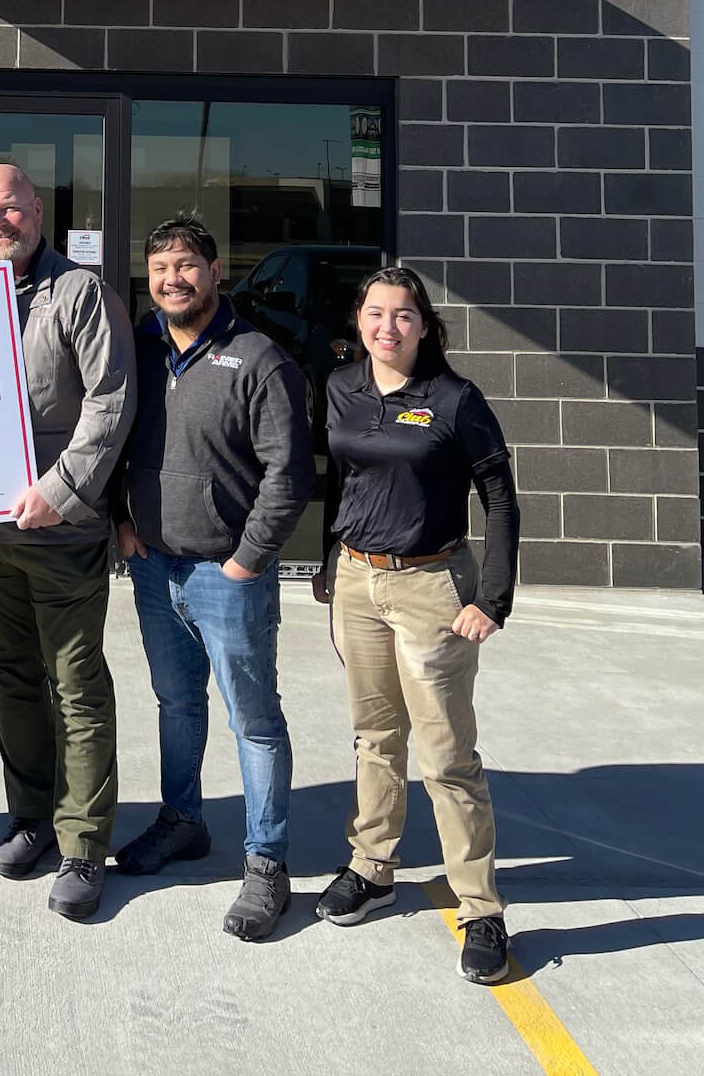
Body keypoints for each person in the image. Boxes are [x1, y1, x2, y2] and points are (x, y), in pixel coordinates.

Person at [311, 266, 519, 986]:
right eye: (375, 313)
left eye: (403, 315)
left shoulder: (455, 399)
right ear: (358, 319)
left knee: (446, 755)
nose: (387, 327)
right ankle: (373, 867)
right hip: (357, 581)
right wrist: (328, 558)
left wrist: (492, 598)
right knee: (374, 736)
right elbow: (341, 479)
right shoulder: (342, 387)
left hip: (433, 586)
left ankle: (481, 908)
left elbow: (500, 496)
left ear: (424, 325)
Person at [111, 215, 313, 940]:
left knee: (253, 722)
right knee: (176, 704)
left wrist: (247, 558)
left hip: (228, 576)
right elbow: (110, 435)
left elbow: (289, 474)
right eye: (161, 267)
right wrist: (122, 521)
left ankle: (267, 861)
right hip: (153, 565)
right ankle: (182, 821)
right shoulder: (139, 347)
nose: (174, 279)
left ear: (216, 271)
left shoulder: (260, 359)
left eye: (187, 265)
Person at [0, 163, 136, 920]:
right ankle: (30, 816)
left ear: (37, 211)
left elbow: (111, 399)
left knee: (76, 686)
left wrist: (61, 492)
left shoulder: (80, 293)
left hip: (61, 533)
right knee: (12, 678)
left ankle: (83, 843)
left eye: (10, 207)